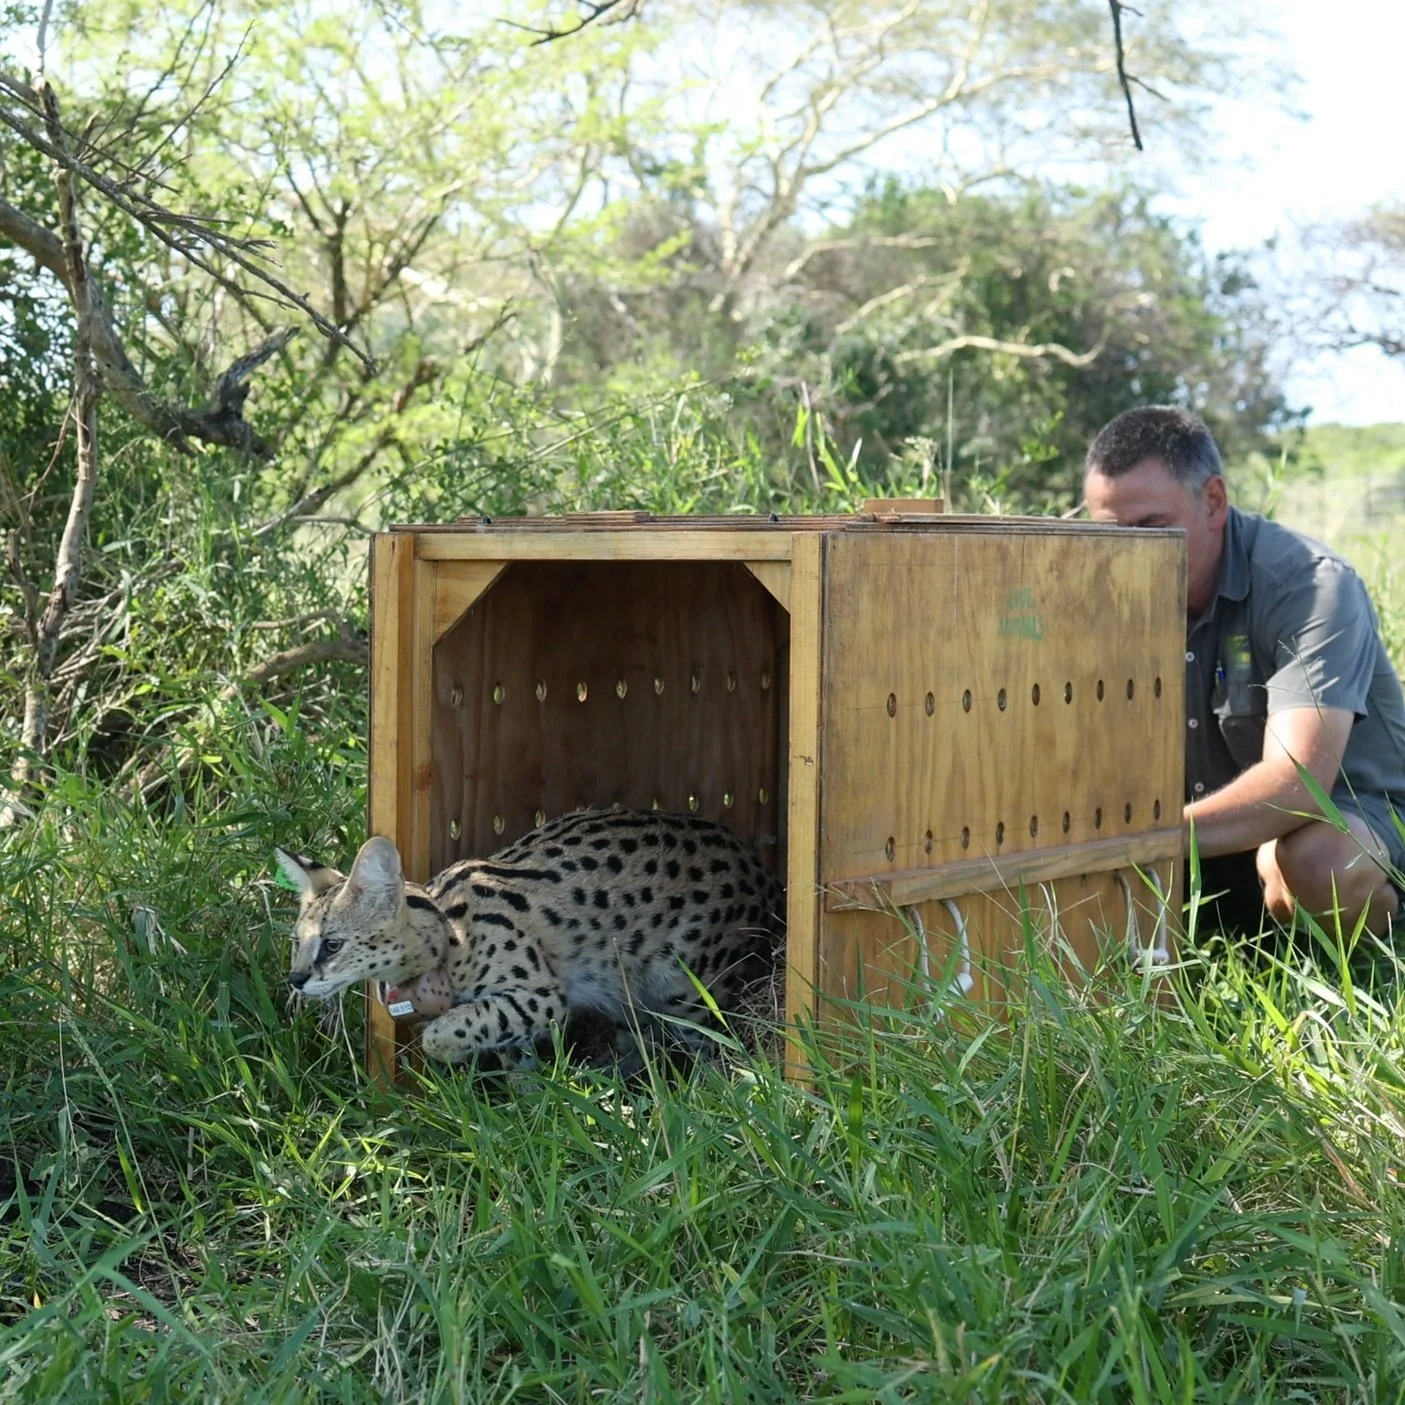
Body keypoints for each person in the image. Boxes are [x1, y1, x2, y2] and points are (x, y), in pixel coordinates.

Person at [1083, 405, 1405, 940]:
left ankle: (1363, 970)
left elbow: (1298, 787)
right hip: (1213, 838)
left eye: (1151, 529)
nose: (1127, 554)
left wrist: (1134, 842)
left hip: (1359, 822)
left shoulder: (1309, 586)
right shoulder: (1102, 592)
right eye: (1111, 534)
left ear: (1213, 501)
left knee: (1315, 862)